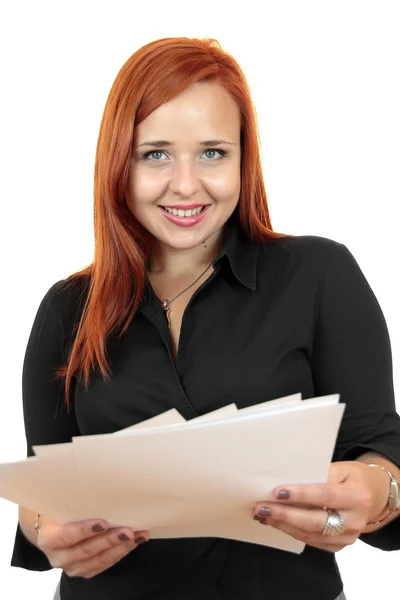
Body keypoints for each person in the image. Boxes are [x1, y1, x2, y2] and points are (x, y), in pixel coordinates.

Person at [10, 36, 400, 600]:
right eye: (156, 153)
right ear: (120, 162)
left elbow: (383, 448)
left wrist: (376, 490)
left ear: (245, 159)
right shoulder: (67, 308)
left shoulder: (318, 273)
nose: (186, 184)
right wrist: (48, 530)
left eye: (213, 153)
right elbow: (42, 487)